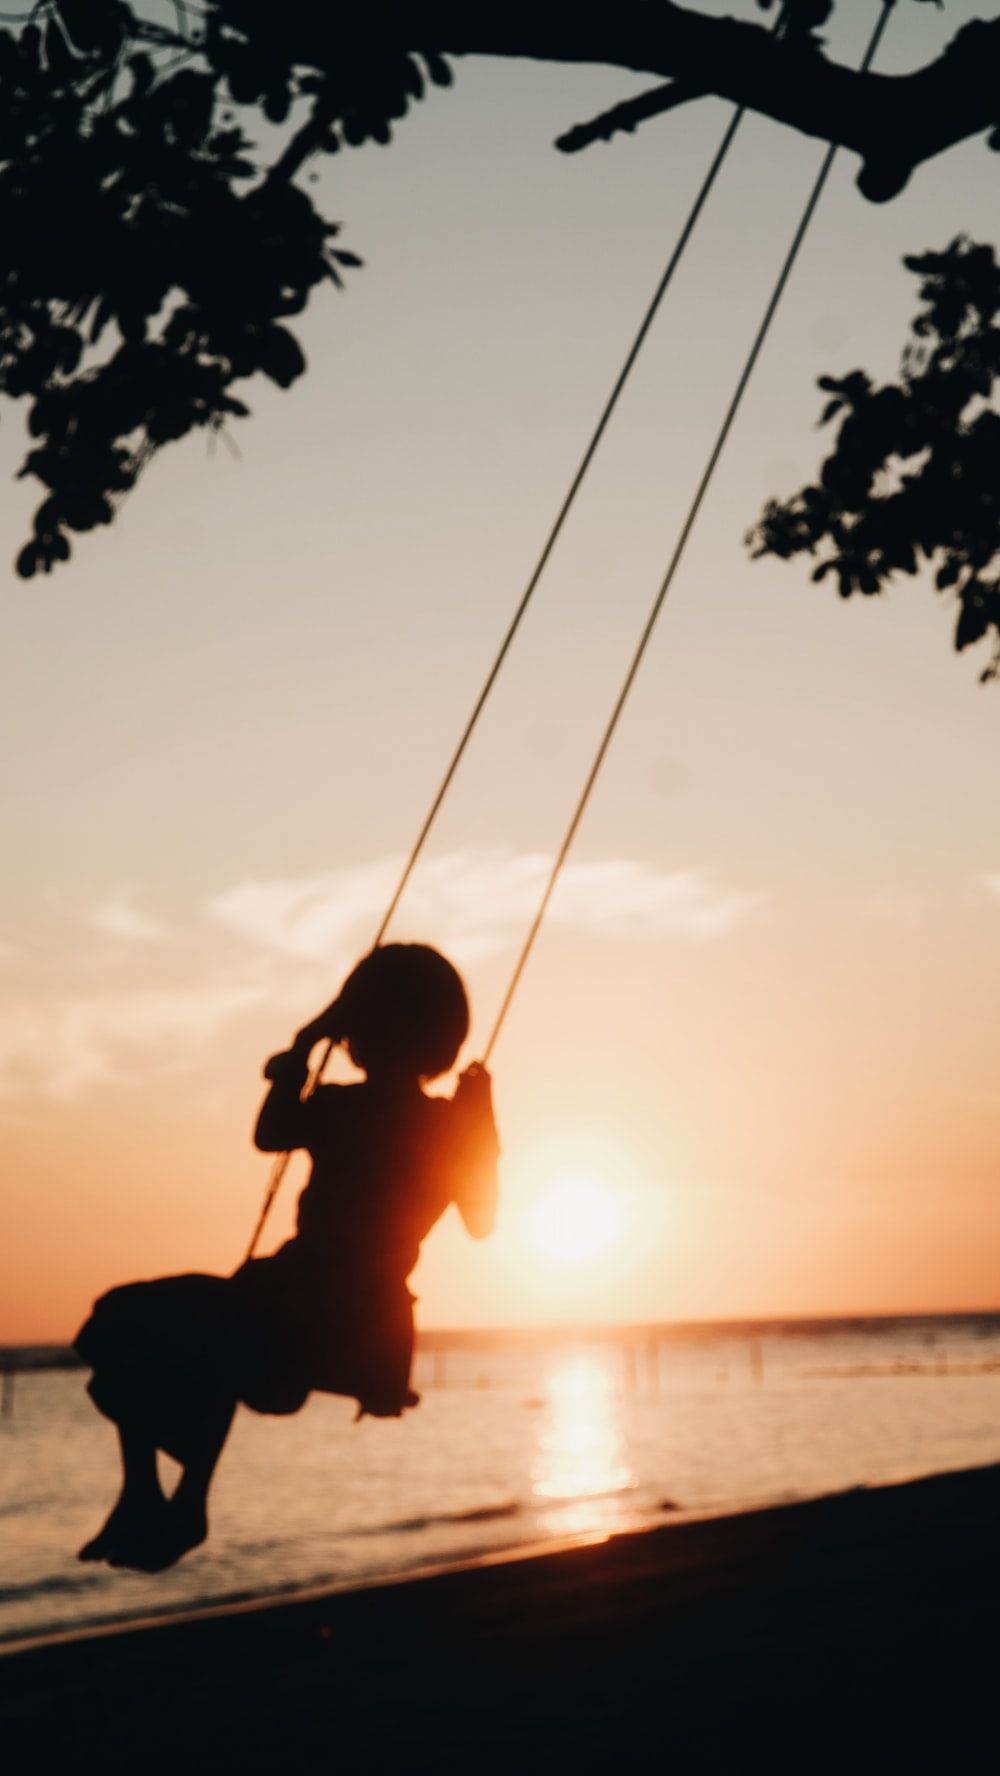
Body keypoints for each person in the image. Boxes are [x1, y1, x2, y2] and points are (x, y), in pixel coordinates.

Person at [74, 943, 499, 1573]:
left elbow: (269, 1132)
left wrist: (305, 1042)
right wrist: (481, 1125)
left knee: (137, 1326)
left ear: (359, 1028)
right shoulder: (444, 1126)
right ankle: (162, 1499)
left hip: (313, 1304)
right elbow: (481, 1221)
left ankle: (166, 1498)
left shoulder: (340, 1107)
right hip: (368, 1319)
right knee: (192, 1341)